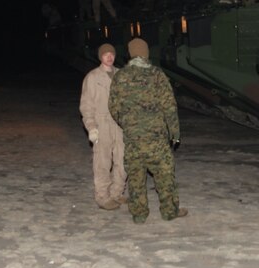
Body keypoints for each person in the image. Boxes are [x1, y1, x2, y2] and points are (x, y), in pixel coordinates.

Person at [109, 38, 186, 223]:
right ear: (146, 53)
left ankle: (139, 214)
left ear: (130, 54)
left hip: (133, 138)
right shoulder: (157, 75)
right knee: (165, 175)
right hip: (156, 139)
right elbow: (169, 106)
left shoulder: (120, 76)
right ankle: (169, 211)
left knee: (135, 177)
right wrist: (174, 132)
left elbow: (113, 107)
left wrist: (127, 123)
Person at [79, 43, 126, 210]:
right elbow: (86, 105)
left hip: (120, 124)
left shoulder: (121, 75)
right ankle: (102, 196)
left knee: (122, 160)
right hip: (102, 123)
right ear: (100, 56)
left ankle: (116, 193)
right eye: (106, 54)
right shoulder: (92, 77)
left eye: (111, 53)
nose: (109, 56)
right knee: (103, 162)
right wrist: (91, 127)